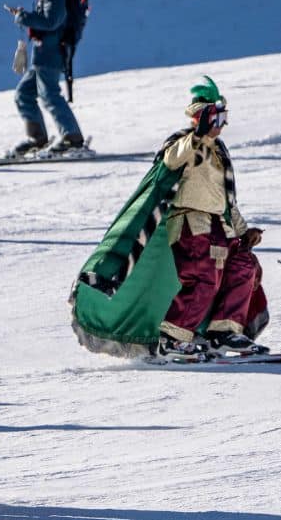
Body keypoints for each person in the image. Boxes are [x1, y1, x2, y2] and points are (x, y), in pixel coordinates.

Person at [69, 77, 268, 361]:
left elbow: (227, 201)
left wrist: (244, 231)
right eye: (219, 117)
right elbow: (170, 161)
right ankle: (172, 338)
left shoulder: (219, 151)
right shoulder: (182, 144)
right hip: (191, 225)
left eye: (226, 117)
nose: (223, 124)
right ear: (205, 118)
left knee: (244, 266)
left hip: (220, 227)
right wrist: (196, 135)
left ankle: (223, 332)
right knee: (202, 277)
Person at [3, 0, 86, 156]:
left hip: (52, 54)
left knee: (49, 94)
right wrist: (24, 17)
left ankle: (72, 138)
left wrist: (23, 17)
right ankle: (37, 138)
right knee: (23, 95)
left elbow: (52, 21)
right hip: (41, 56)